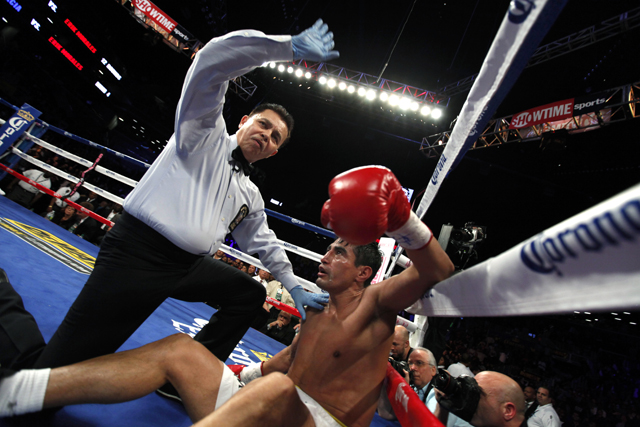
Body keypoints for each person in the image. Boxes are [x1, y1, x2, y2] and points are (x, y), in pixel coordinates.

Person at [32, 19, 340, 372]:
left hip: (185, 267)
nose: (266, 135)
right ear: (243, 121)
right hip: (139, 253)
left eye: (275, 138)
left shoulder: (250, 194)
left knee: (249, 294)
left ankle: (189, 374)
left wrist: (294, 287)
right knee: (70, 360)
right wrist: (285, 47)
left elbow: (265, 244)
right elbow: (212, 61)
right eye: (263, 124)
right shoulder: (202, 134)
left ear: (273, 153)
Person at [191, 166, 454, 427]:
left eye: (339, 253)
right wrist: (243, 374)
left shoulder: (374, 303)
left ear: (363, 273)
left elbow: (439, 269)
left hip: (325, 419)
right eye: (328, 249)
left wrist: (400, 219)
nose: (324, 258)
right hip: (280, 406)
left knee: (275, 388)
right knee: (180, 351)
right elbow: (289, 357)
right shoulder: (315, 307)